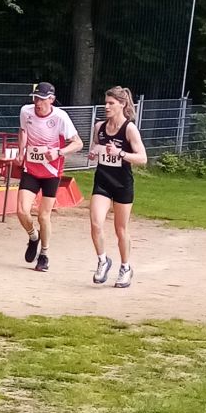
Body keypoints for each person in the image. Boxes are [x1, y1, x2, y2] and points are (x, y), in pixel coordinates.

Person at [16, 82, 83, 273]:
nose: (38, 103)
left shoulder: (60, 117)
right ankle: (33, 237)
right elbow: (23, 131)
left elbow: (78, 143)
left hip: (52, 172)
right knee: (21, 210)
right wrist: (21, 151)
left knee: (43, 216)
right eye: (36, 98)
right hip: (31, 168)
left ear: (51, 99)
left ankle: (44, 254)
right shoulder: (26, 111)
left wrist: (59, 152)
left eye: (42, 99)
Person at [88, 86, 147, 288]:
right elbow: (95, 147)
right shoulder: (99, 127)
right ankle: (103, 260)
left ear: (122, 104)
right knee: (96, 223)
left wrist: (120, 153)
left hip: (122, 184)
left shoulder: (129, 129)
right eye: (105, 102)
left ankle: (125, 267)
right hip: (102, 181)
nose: (106, 106)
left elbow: (142, 158)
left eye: (111, 103)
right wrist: (93, 153)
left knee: (120, 229)